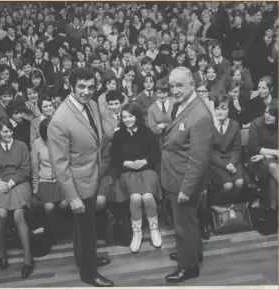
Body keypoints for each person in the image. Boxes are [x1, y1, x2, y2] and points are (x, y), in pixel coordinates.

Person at [47, 68, 113, 287]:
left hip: (93, 176)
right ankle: (88, 273)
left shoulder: (92, 105)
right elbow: (59, 165)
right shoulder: (60, 120)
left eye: (91, 87)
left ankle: (85, 258)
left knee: (85, 225)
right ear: (71, 86)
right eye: (81, 87)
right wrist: (73, 197)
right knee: (87, 229)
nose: (86, 92)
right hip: (78, 184)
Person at [162, 67, 213, 283]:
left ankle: (188, 267)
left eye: (179, 85)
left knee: (184, 226)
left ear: (192, 83)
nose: (174, 90)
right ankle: (191, 253)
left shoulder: (200, 115)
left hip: (185, 181)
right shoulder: (183, 105)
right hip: (176, 175)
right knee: (188, 222)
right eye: (172, 85)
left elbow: (198, 160)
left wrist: (186, 188)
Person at [111, 103, 162, 253]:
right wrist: (125, 162)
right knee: (135, 198)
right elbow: (114, 158)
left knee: (147, 197)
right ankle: (137, 232)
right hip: (127, 173)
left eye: (130, 116)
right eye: (124, 117)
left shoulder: (146, 132)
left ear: (137, 116)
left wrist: (145, 161)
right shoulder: (118, 135)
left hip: (146, 170)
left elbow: (156, 154)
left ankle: (154, 229)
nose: (127, 119)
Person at [0, 117, 33, 279]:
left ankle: (28, 258)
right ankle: (1, 252)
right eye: (5, 131)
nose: (9, 134)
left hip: (19, 182)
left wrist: (12, 182)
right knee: (1, 213)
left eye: (10, 130)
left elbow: (26, 169)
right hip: (0, 184)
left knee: (18, 215)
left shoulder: (21, 146)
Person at [31, 118, 69, 245]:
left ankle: (63, 231)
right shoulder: (36, 143)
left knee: (65, 204)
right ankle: (52, 234)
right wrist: (35, 186)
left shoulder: (63, 141)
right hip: (45, 181)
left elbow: (68, 163)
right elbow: (35, 167)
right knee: (49, 207)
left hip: (61, 180)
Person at [209, 94, 244, 205]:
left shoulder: (235, 125)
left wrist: (232, 163)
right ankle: (214, 206)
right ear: (214, 109)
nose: (220, 112)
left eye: (224, 109)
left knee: (239, 182)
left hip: (232, 160)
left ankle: (231, 208)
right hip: (215, 162)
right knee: (228, 185)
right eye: (217, 108)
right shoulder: (209, 125)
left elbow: (236, 148)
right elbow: (210, 152)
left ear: (229, 110)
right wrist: (225, 166)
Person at [247, 100, 278, 211]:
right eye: (265, 112)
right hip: (256, 161)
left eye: (271, 114)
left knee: (274, 173)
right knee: (273, 167)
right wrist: (276, 153)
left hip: (269, 159)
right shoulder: (256, 123)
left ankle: (272, 209)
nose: (267, 116)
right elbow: (254, 147)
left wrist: (265, 156)